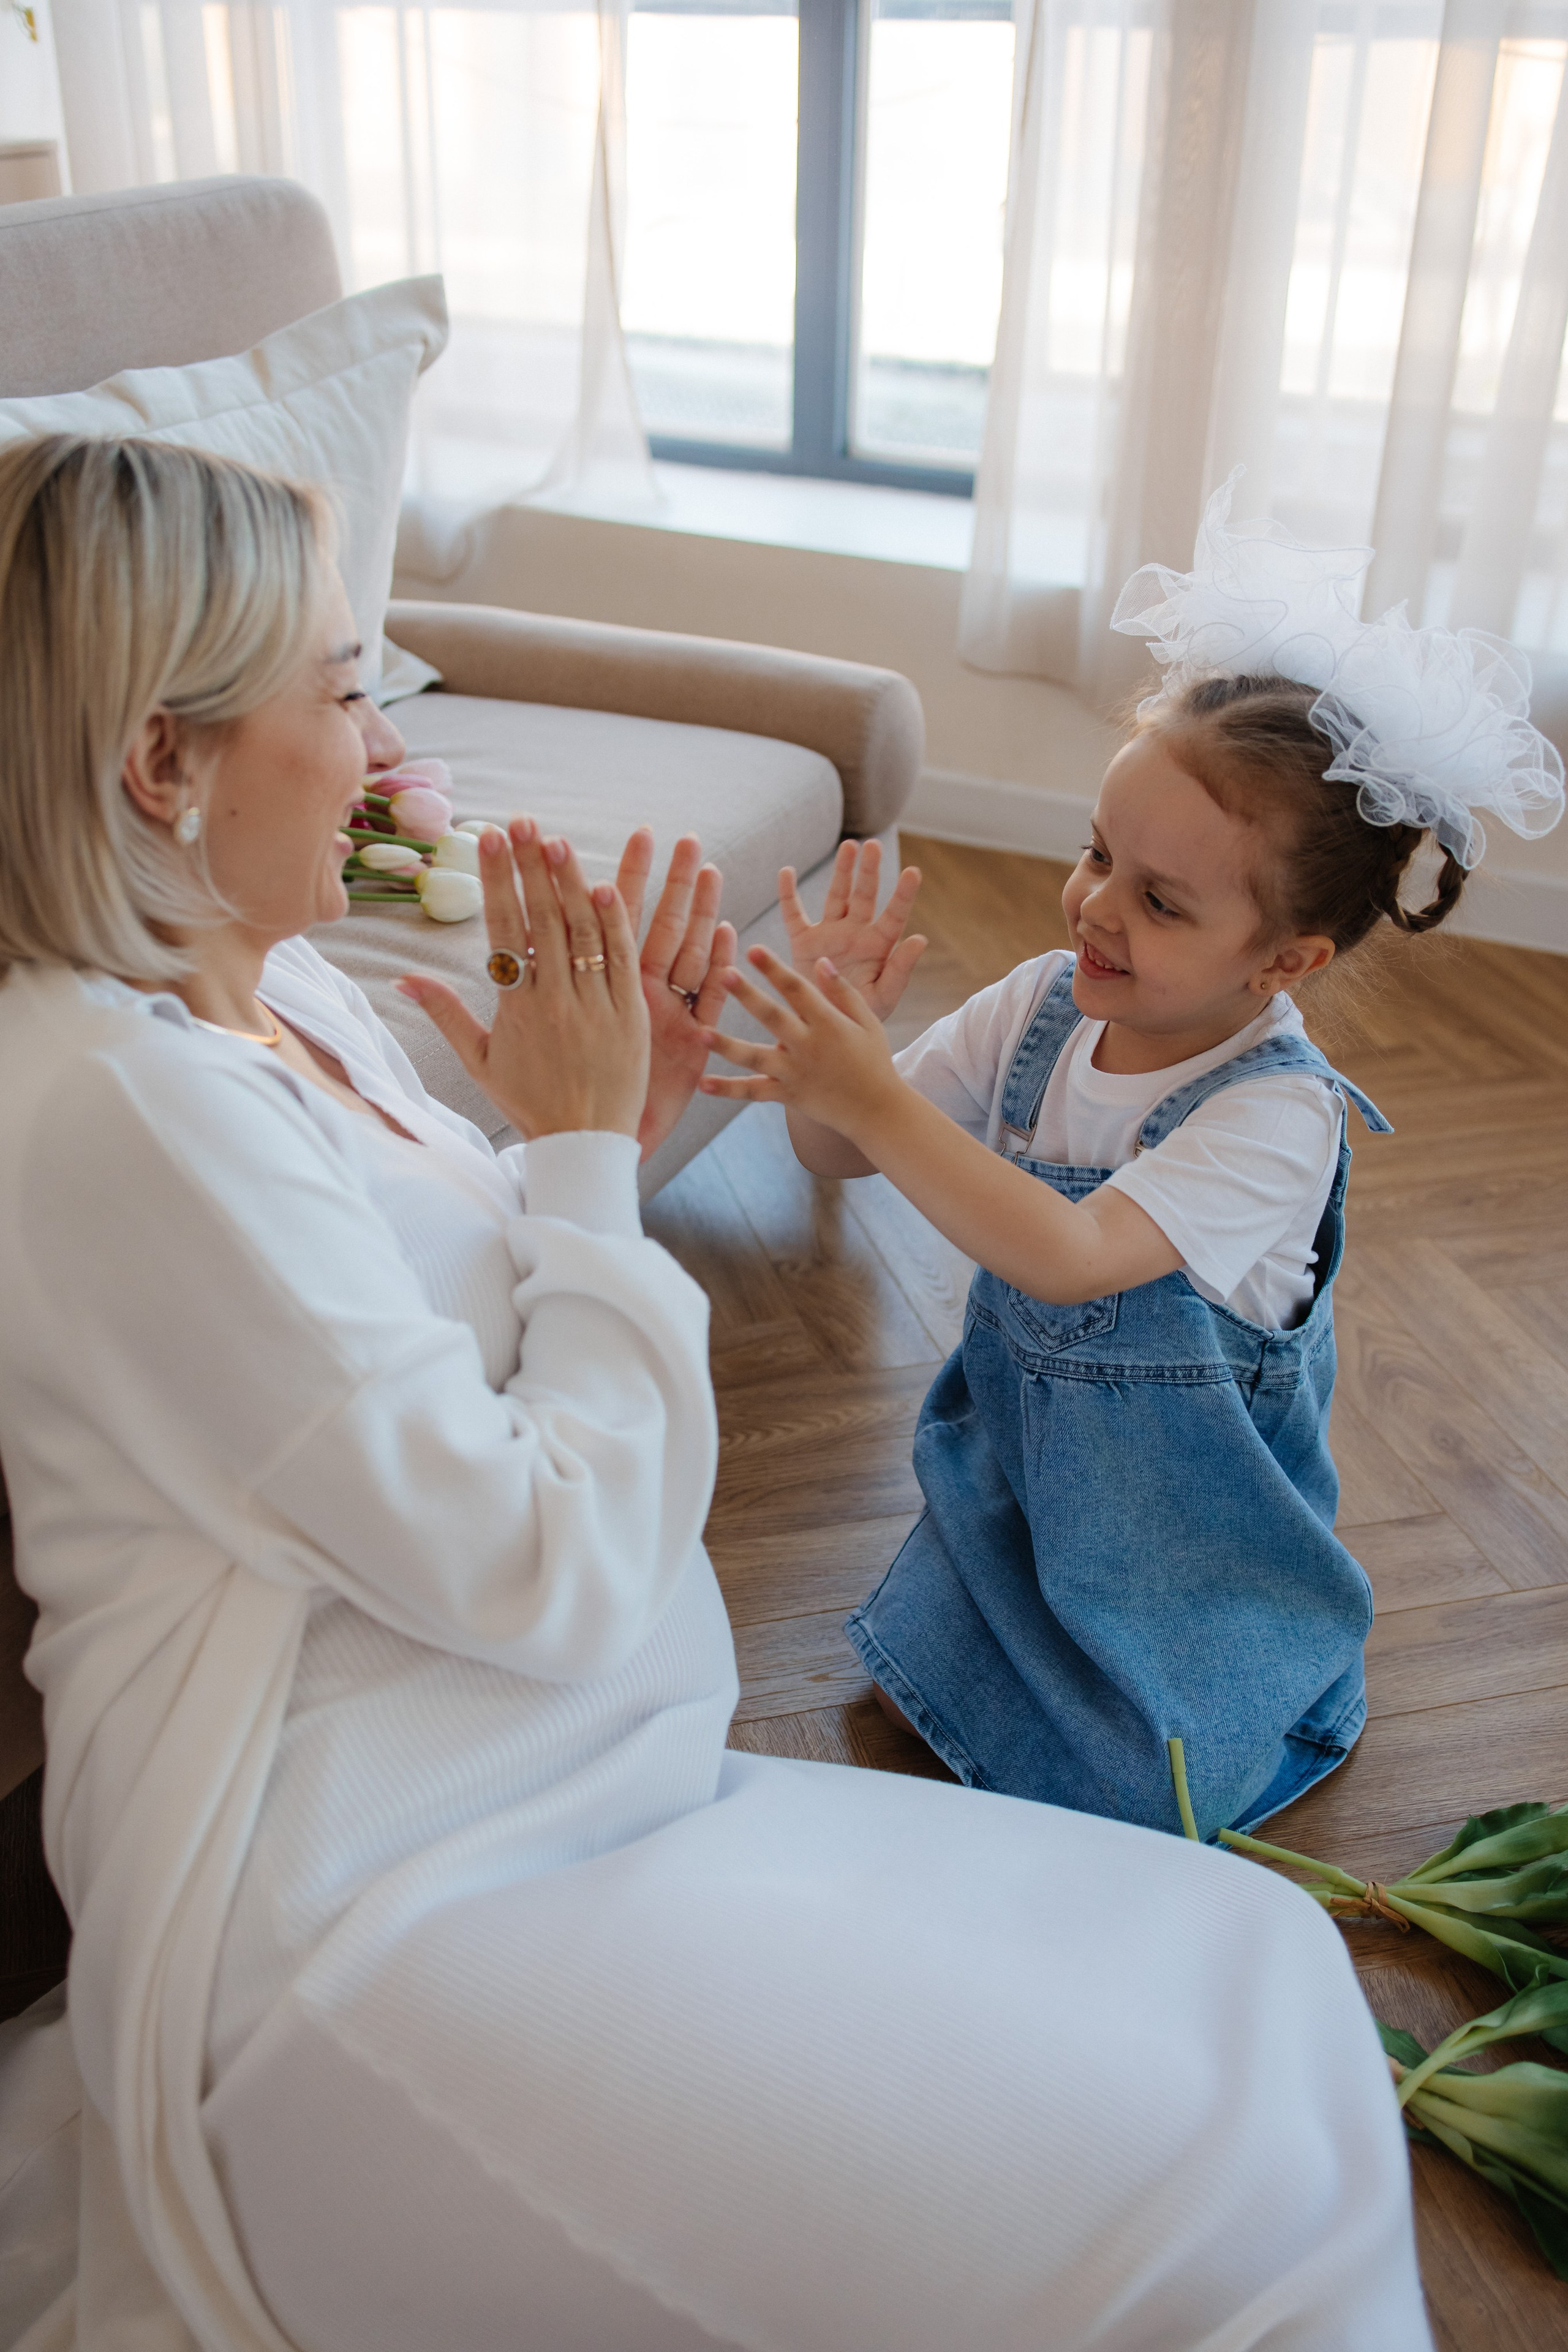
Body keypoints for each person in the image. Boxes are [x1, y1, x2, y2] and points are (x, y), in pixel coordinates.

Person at [0, 436, 1430, 2352]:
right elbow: (550, 1565)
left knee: (1259, 1976)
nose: (384, 751)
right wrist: (585, 1156)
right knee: (1210, 2227)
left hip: (597, 1772)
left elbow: (423, 1332)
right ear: (161, 766)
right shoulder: (130, 1114)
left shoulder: (275, 993)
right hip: (382, 1897)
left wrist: (612, 1122)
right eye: (346, 692)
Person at [701, 475, 1565, 1846]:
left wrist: (872, 1095)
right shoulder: (1038, 1003)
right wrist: (845, 1058)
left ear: (1284, 961)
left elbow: (1066, 1256)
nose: (1097, 907)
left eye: (1158, 902)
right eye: (1097, 854)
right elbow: (831, 1158)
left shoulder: (1275, 1118)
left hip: (1186, 1550)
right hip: (1029, 1497)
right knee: (918, 1673)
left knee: (1138, 1791)